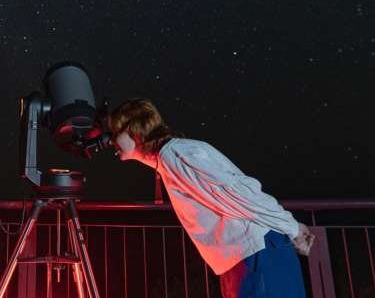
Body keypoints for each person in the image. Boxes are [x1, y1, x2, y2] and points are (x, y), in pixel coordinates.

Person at [107, 98, 314, 298]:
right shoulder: (170, 158)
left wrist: (293, 228)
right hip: (244, 259)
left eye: (116, 131)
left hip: (257, 255)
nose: (111, 139)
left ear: (135, 129)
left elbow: (241, 194)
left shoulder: (176, 155)